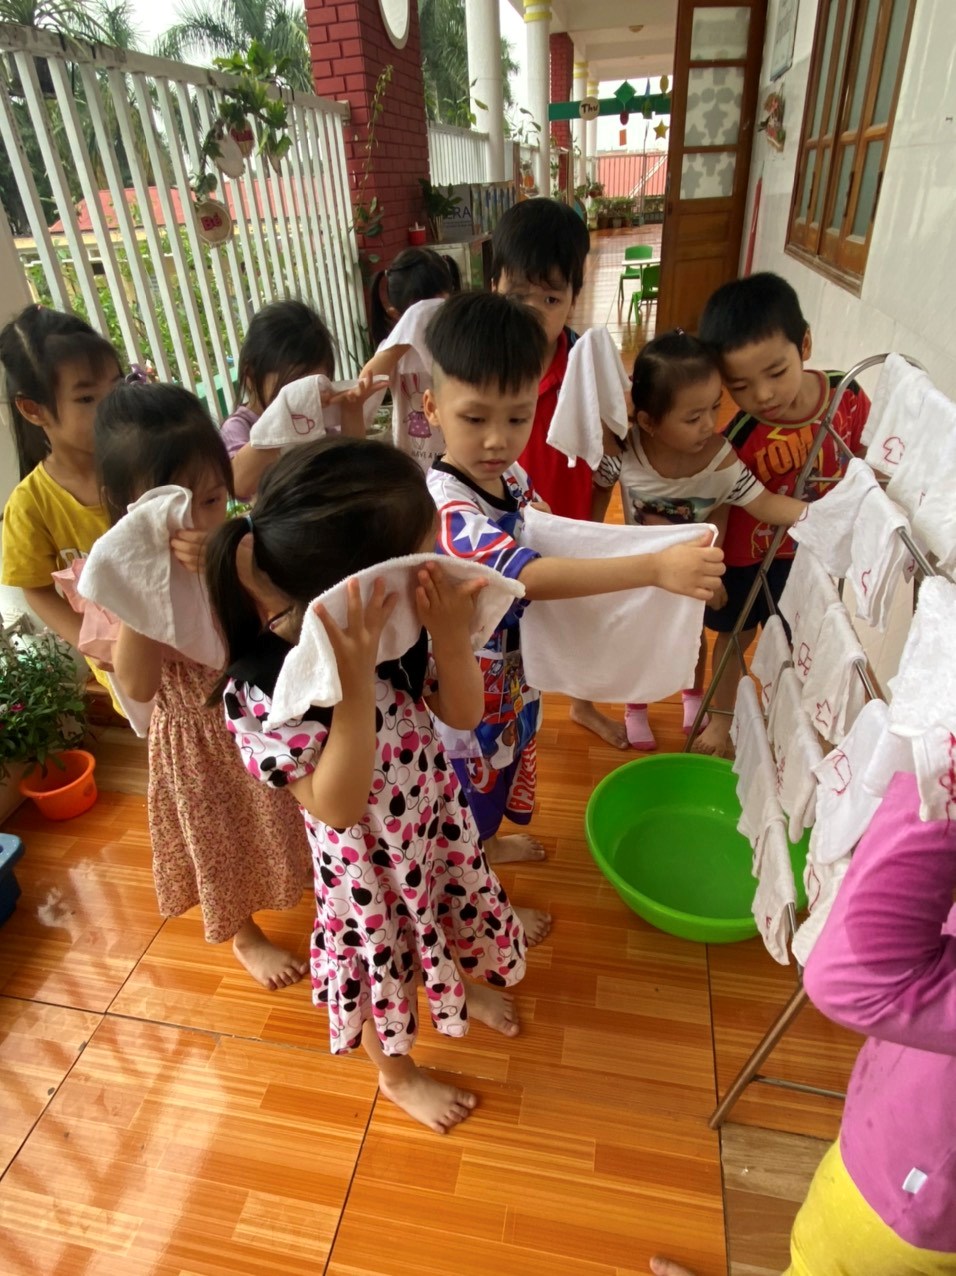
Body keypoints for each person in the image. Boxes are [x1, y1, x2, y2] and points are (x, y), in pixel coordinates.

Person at [204, 437, 545, 1134]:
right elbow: (335, 804)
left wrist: (450, 637)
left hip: (432, 824)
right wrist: (355, 685)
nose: (432, 567)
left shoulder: (397, 632)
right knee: (380, 962)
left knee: (441, 911)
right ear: (358, 586)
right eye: (416, 558)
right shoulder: (268, 687)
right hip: (366, 873)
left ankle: (456, 984)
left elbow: (462, 714)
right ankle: (396, 1074)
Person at [423, 293, 725, 865]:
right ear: (433, 407)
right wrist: (654, 567)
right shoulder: (447, 511)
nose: (497, 439)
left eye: (517, 418)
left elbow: (544, 526)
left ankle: (487, 847)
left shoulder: (509, 476)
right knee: (470, 788)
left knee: (502, 769)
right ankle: (478, 880)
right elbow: (529, 575)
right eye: (475, 418)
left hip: (513, 676)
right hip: (467, 690)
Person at [648, 768, 956, 1276]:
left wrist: (940, 759)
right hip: (897, 1146)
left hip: (904, 1193)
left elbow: (851, 980)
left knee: (819, 1261)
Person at [95, 382, 312, 990]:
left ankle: (311, 881)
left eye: (212, 500)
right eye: (172, 513)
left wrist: (240, 565)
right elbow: (137, 684)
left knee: (287, 820)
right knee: (221, 842)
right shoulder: (122, 582)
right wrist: (144, 593)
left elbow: (293, 626)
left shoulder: (242, 546)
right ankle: (243, 934)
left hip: (263, 717)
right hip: (198, 746)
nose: (196, 525)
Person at [602, 331, 805, 751]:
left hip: (692, 574)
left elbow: (765, 503)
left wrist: (822, 514)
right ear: (648, 422)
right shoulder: (625, 452)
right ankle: (635, 706)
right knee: (641, 640)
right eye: (693, 417)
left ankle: (692, 695)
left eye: (715, 407)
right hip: (641, 572)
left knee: (692, 636)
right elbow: (594, 487)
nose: (711, 424)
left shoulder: (722, 461)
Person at [695, 272, 870, 757]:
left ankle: (783, 717)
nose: (764, 395)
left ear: (805, 345)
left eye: (776, 372)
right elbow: (721, 504)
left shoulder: (846, 396)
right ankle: (722, 719)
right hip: (744, 558)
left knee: (796, 640)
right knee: (734, 636)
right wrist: (715, 566)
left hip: (806, 556)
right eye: (742, 386)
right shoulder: (739, 436)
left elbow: (863, 456)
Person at [491, 197, 631, 749]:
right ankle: (508, 712)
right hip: (504, 532)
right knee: (508, 627)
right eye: (517, 297)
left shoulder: (585, 364)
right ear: (494, 287)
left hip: (570, 523)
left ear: (575, 297)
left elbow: (611, 452)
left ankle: (582, 703)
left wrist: (593, 521)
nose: (533, 313)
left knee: (579, 621)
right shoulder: (487, 366)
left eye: (550, 299)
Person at [0, 304, 125, 709]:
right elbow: (36, 589)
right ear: (33, 409)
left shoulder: (145, 463)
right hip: (124, 665)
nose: (111, 408)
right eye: (87, 398)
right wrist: (92, 639)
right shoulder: (30, 504)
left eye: (117, 389)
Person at [225, 299, 365, 499]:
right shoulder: (239, 427)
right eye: (293, 390)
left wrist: (351, 410)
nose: (304, 399)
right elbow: (239, 485)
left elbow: (351, 466)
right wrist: (287, 413)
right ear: (251, 376)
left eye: (311, 388)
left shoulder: (316, 418)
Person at [355, 248, 462, 471]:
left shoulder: (463, 340)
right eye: (418, 315)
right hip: (412, 468)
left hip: (459, 467)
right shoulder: (393, 352)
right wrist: (405, 335)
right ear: (397, 315)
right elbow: (362, 394)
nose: (426, 321)